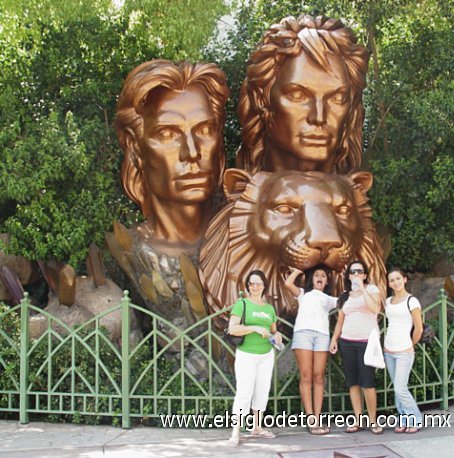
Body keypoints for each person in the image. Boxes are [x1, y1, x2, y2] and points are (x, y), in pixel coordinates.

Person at [115, 59, 229, 255]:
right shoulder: (126, 253)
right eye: (167, 134)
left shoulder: (244, 237)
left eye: (204, 129)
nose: (192, 153)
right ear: (135, 146)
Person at [236, 15, 369, 174]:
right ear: (262, 100)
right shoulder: (234, 191)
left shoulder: (355, 193)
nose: (319, 117)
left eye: (337, 98)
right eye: (298, 95)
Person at [226, 270, 283, 446]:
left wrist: (278, 335)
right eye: (251, 284)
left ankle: (257, 427)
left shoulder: (269, 308)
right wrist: (254, 328)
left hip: (266, 355)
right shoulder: (242, 304)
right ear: (247, 286)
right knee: (244, 392)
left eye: (258, 283)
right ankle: (236, 432)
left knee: (262, 391)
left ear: (264, 285)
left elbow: (273, 331)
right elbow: (232, 329)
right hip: (247, 355)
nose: (255, 287)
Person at [329, 260, 383, 434]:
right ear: (348, 275)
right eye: (352, 272)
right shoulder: (344, 295)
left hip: (366, 342)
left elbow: (375, 309)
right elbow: (340, 321)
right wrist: (334, 340)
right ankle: (358, 420)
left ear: (365, 275)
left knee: (367, 383)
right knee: (352, 383)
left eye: (359, 271)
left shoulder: (372, 289)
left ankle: (373, 421)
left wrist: (363, 288)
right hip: (347, 342)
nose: (355, 274)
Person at [284, 265, 337, 435]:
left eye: (323, 276)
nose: (320, 277)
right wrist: (298, 271)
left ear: (327, 281)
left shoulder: (328, 299)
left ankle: (318, 416)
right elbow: (288, 283)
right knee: (306, 375)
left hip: (322, 336)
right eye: (316, 275)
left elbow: (347, 301)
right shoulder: (303, 294)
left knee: (319, 377)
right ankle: (311, 420)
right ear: (311, 279)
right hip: (303, 334)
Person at [384, 268, 423, 433]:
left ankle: (415, 420)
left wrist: (410, 345)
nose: (395, 282)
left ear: (405, 279)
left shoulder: (412, 301)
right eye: (392, 280)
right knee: (397, 388)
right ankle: (403, 419)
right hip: (389, 350)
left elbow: (418, 329)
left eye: (398, 279)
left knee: (401, 388)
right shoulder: (388, 301)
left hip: (404, 351)